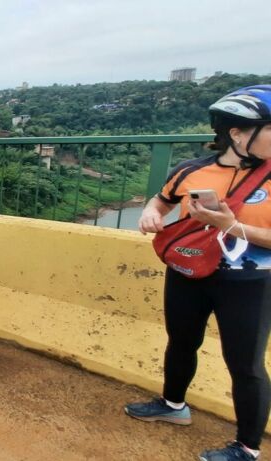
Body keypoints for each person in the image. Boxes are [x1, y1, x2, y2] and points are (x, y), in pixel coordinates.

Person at [127, 85, 271, 461]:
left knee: (245, 364)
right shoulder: (191, 170)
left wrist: (233, 225)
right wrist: (151, 212)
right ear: (238, 134)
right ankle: (173, 405)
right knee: (181, 341)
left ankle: (247, 447)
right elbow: (162, 198)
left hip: (250, 282)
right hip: (189, 270)